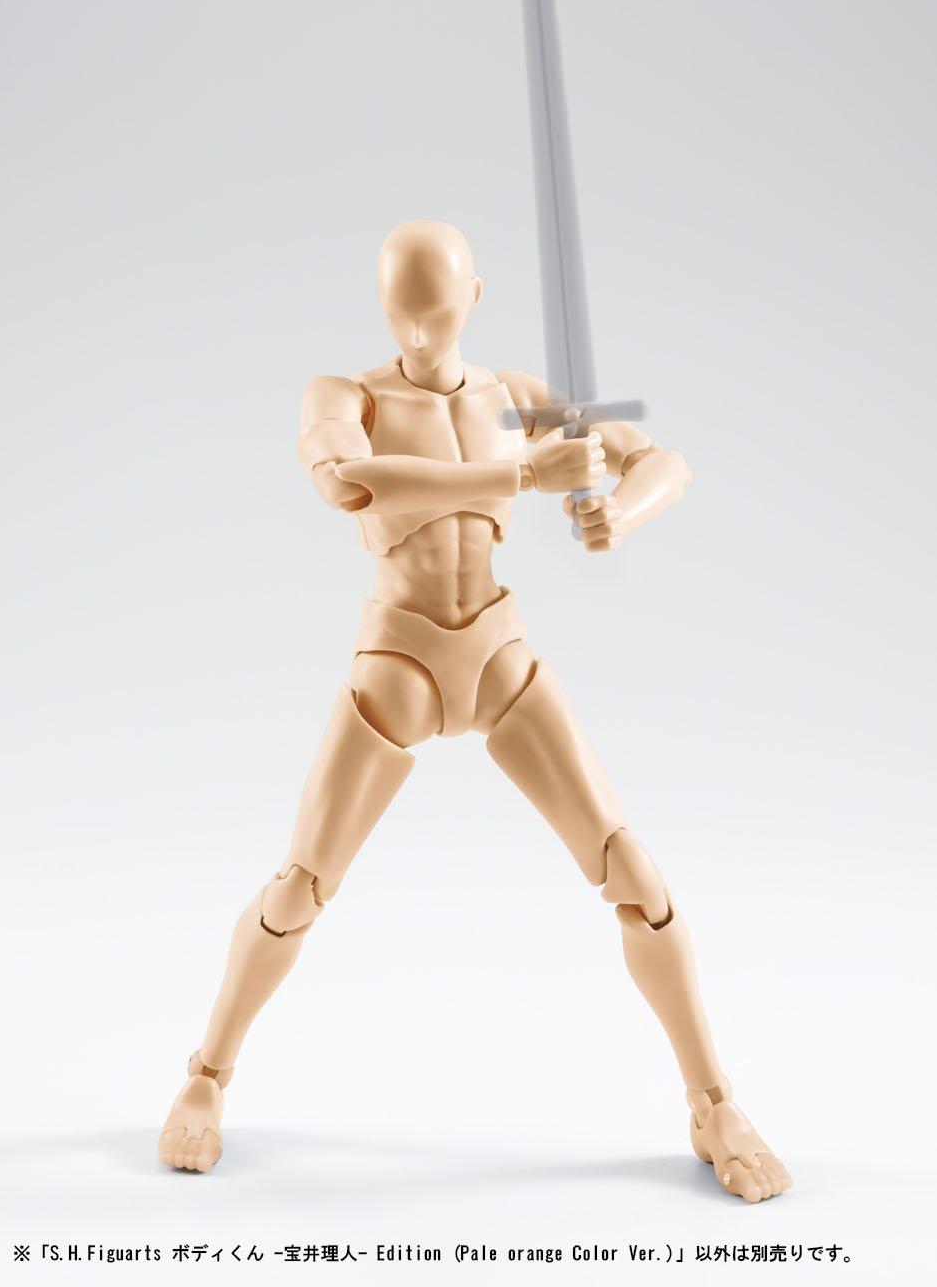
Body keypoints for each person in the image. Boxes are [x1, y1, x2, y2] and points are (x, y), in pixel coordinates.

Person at [159, 219, 790, 1203]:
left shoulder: (515, 399)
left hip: (497, 652)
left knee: (633, 873)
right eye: (401, 311)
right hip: (399, 659)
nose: (418, 331)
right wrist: (522, 475)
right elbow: (348, 481)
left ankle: (714, 1103)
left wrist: (616, 512)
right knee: (300, 889)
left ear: (474, 300)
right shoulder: (345, 396)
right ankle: (205, 1078)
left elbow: (661, 458)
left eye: (438, 310)